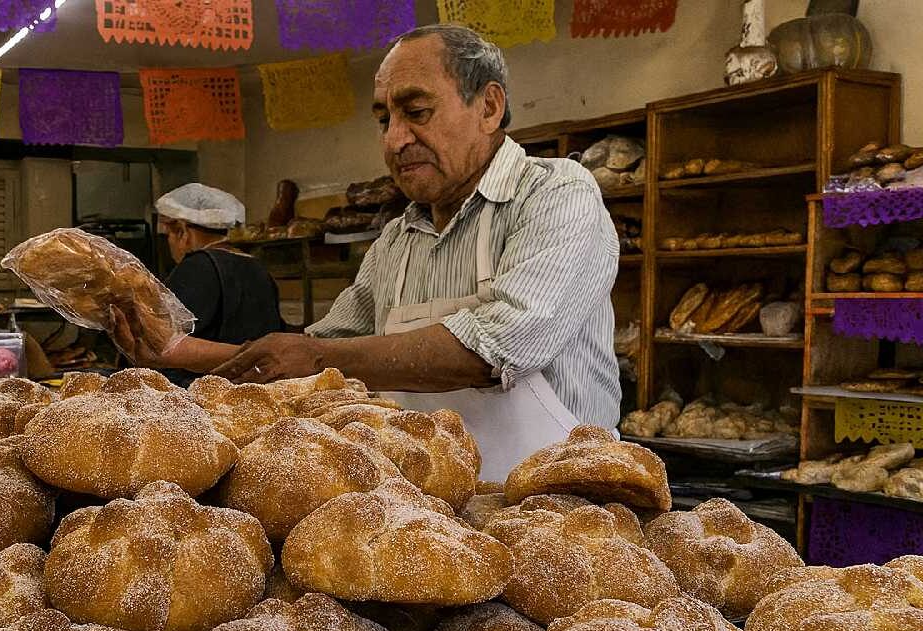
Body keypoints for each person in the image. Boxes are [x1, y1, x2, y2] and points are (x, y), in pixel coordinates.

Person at [207, 24, 623, 480]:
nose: (393, 140)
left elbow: (499, 348)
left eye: (417, 112)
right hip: (424, 520)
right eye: (384, 120)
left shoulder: (555, 194)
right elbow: (309, 353)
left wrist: (319, 357)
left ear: (488, 107)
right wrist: (178, 349)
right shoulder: (396, 240)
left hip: (559, 515)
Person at [141, 183, 283, 386]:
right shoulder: (257, 266)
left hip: (207, 388)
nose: (169, 242)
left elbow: (160, 340)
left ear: (182, 231)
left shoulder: (196, 266)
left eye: (168, 235)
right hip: (259, 384)